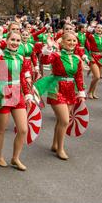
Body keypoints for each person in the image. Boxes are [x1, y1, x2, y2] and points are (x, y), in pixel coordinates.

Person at [0, 31, 33, 169]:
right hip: (3, 94)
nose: (15, 42)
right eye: (12, 40)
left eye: (18, 40)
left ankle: (15, 158)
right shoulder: (0, 55)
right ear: (7, 40)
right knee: (1, 129)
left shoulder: (22, 59)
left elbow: (23, 78)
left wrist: (28, 94)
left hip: (18, 95)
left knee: (23, 129)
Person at [34, 32, 86, 160]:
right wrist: (49, 47)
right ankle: (61, 149)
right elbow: (45, 60)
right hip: (57, 88)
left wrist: (81, 92)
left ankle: (55, 144)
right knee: (64, 120)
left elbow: (78, 76)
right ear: (62, 42)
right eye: (69, 40)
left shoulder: (77, 58)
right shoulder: (56, 55)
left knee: (61, 121)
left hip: (70, 90)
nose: (72, 43)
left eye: (74, 41)